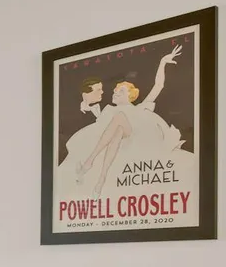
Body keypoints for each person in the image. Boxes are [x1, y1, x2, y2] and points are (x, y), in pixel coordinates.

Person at [72, 44, 184, 196]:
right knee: (117, 131)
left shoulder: (140, 107)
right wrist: (85, 105)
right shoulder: (110, 112)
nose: (115, 93)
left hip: (142, 138)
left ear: (130, 95)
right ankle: (101, 180)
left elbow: (158, 85)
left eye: (121, 91)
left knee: (119, 118)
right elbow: (100, 125)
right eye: (115, 91)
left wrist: (163, 62)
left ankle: (88, 162)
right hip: (123, 136)